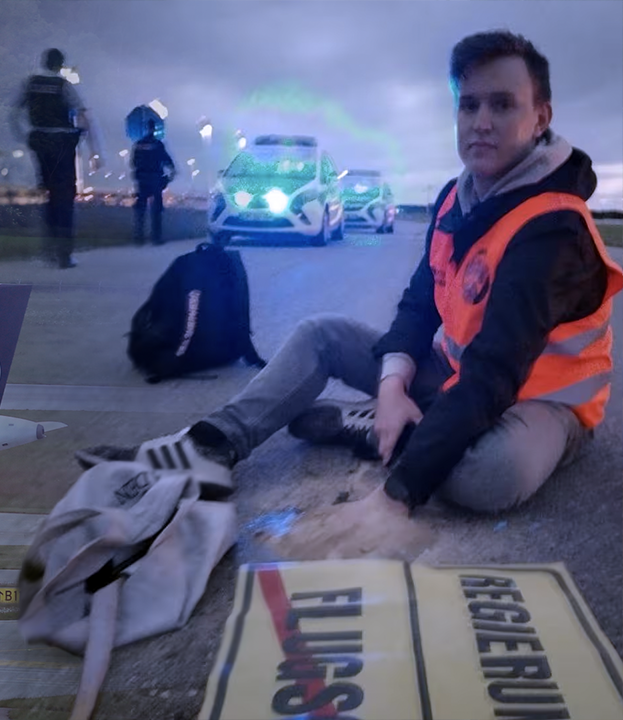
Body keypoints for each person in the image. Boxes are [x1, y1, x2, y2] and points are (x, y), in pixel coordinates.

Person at [77, 30, 620, 560]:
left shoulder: (553, 227)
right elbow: (420, 302)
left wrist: (396, 497)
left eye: (502, 105)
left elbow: (496, 371)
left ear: (540, 117)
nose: (481, 122)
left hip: (545, 401)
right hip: (460, 376)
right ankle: (209, 446)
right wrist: (391, 383)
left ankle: (374, 430)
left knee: (491, 475)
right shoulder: (457, 196)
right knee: (321, 334)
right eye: (469, 104)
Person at [10, 48, 99, 269]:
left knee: (50, 195)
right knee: (65, 197)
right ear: (60, 64)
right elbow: (82, 112)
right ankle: (64, 253)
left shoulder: (29, 84)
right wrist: (93, 147)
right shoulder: (63, 86)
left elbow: (14, 113)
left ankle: (49, 249)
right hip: (62, 142)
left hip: (40, 142)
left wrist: (24, 136)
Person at [132, 119, 175, 245]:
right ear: (154, 129)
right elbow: (167, 160)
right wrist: (171, 172)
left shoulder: (138, 144)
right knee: (156, 210)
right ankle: (156, 238)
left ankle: (139, 238)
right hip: (155, 178)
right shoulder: (157, 144)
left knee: (141, 210)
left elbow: (133, 162)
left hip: (142, 179)